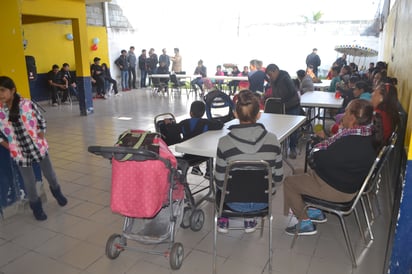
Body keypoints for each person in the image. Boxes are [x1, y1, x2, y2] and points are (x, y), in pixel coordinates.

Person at [283, 99, 381, 236]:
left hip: (339, 190)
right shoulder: (366, 134)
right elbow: (336, 155)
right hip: (345, 181)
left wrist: (317, 145)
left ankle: (305, 223)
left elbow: (319, 161)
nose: (343, 115)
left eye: (346, 112)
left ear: (353, 117)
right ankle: (315, 212)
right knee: (296, 171)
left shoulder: (351, 141)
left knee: (289, 183)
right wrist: (324, 142)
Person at [214, 90, 283, 233]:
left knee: (219, 183)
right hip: (262, 201)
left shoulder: (224, 143)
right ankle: (250, 220)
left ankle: (223, 219)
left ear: (235, 113)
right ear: (258, 114)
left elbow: (220, 181)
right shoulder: (273, 140)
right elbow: (278, 177)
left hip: (233, 202)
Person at [0, 76, 68, 221]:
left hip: (37, 147)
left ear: (12, 90)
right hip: (20, 153)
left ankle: (57, 192)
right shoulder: (0, 111)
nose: (0, 94)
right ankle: (36, 207)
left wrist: (42, 132)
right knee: (29, 183)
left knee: (50, 175)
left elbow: (41, 120)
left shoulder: (26, 104)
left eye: (2, 90)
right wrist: (5, 144)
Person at [178, 101, 223, 177]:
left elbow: (174, 129)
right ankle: (209, 172)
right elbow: (219, 125)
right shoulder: (206, 123)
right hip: (202, 153)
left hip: (187, 153)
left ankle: (196, 168)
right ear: (203, 113)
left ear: (190, 113)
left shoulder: (183, 123)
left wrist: (169, 123)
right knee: (209, 150)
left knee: (194, 145)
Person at [265, 64, 301, 159]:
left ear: (275, 71)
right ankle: (278, 148)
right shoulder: (273, 80)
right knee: (280, 128)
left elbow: (292, 91)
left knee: (293, 129)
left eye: (270, 74)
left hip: (292, 106)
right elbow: (274, 92)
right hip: (281, 107)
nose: (270, 77)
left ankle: (292, 148)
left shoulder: (285, 77)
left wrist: (281, 98)